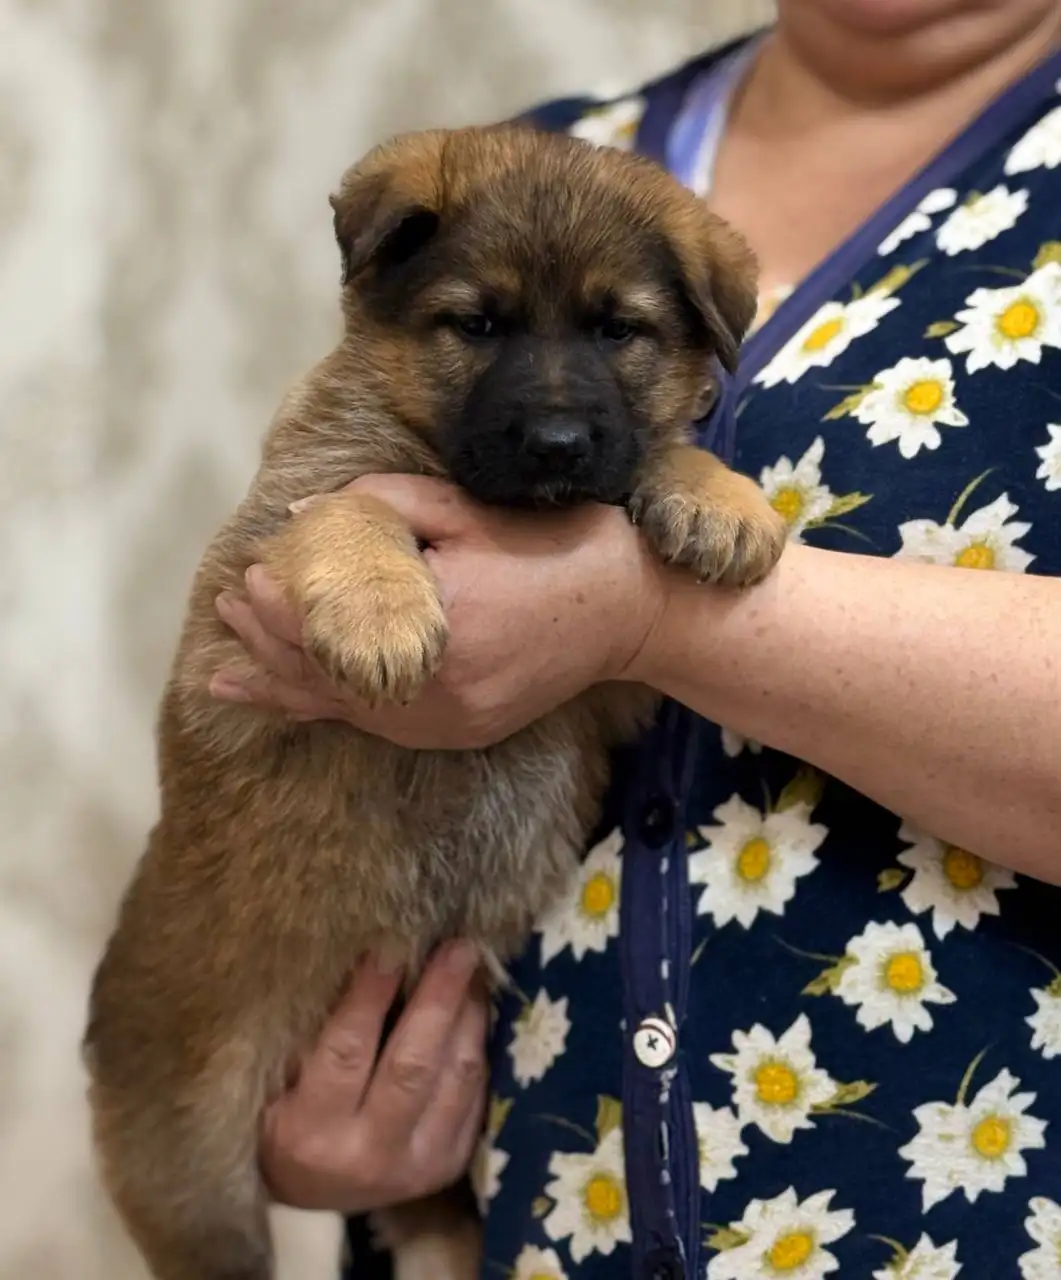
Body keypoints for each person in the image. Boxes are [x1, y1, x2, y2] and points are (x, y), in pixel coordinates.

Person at [215, 1, 1061, 1275]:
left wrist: (660, 618)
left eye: (616, 337)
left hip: (955, 1194)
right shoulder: (546, 156)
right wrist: (319, 1085)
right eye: (483, 329)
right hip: (522, 1216)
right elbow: (307, 623)